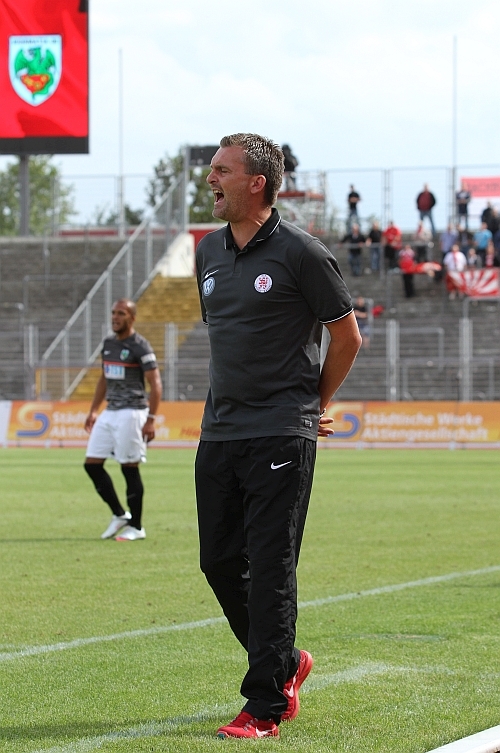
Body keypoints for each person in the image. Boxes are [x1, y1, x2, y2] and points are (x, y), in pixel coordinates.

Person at [195, 133, 361, 740]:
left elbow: (347, 337)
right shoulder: (207, 251)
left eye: (222, 170)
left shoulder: (302, 252)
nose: (210, 179)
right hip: (219, 432)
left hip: (280, 434)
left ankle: (265, 706)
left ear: (256, 182)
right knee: (218, 561)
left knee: (270, 566)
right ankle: (286, 663)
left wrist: (313, 404)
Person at [83, 299, 162, 541]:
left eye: (121, 313)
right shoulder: (108, 344)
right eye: (113, 313)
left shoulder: (140, 346)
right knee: (91, 464)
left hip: (132, 412)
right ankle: (119, 514)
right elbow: (104, 378)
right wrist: (94, 410)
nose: (115, 317)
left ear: (132, 318)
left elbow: (155, 383)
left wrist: (151, 419)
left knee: (129, 468)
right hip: (110, 411)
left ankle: (136, 527)